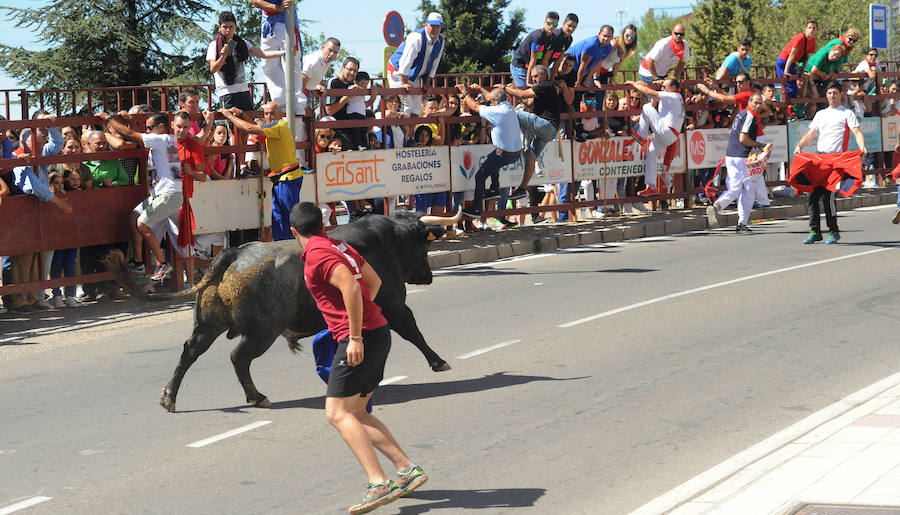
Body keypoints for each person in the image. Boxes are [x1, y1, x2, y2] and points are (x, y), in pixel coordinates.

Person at [289, 201, 428, 515]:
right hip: (378, 331)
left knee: (337, 413)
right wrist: (366, 317)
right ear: (323, 226)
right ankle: (406, 470)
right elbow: (373, 281)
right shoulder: (338, 245)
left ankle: (378, 482)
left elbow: (351, 287)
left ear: (294, 231)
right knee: (358, 412)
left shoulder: (317, 254)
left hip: (360, 338)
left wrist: (354, 335)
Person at [105, 111, 206, 280]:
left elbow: (129, 134)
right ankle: (139, 262)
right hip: (164, 195)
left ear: (161, 127)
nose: (147, 132)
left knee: (143, 224)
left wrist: (109, 120)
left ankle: (162, 263)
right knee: (134, 217)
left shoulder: (161, 139)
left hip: (168, 195)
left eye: (150, 128)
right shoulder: (168, 141)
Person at [4, 117, 72, 313]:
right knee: (23, 258)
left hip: (33, 216)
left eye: (43, 142)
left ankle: (32, 297)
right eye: (39, 141)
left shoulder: (37, 156)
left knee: (34, 257)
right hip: (21, 217)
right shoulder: (20, 160)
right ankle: (19, 300)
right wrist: (59, 202)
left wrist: (49, 125)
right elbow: (33, 187)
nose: (43, 145)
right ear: (26, 141)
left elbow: (57, 143)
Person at [220, 101, 307, 241]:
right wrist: (242, 114)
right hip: (281, 179)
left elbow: (249, 128)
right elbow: (255, 128)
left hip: (288, 178)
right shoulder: (274, 127)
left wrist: (229, 116)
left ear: (280, 114)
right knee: (278, 218)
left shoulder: (278, 126)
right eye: (266, 113)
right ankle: (282, 248)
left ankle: (297, 249)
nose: (268, 116)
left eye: (272, 113)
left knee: (290, 218)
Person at [792, 82, 867, 244]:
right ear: (826, 95)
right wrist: (799, 145)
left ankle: (833, 230)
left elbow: (857, 132)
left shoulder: (847, 113)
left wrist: (862, 146)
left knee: (828, 197)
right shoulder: (821, 114)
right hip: (821, 161)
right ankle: (815, 231)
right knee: (812, 196)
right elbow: (811, 134)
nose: (832, 96)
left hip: (837, 162)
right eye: (829, 93)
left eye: (834, 92)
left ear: (841, 94)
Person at [505, 64, 572, 201]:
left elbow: (523, 94)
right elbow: (528, 103)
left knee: (514, 113)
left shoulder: (546, 85)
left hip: (546, 125)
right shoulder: (543, 88)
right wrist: (514, 89)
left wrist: (505, 88)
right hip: (548, 130)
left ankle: (520, 144)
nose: (534, 79)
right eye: (532, 77)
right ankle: (522, 189)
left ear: (544, 75)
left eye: (536, 76)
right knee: (530, 156)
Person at [456, 83, 522, 218]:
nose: (488, 103)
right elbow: (491, 97)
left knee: (480, 176)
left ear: (496, 101)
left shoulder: (496, 111)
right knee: (492, 158)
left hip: (504, 154)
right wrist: (480, 88)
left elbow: (474, 106)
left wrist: (464, 92)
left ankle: (476, 209)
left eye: (490, 101)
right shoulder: (508, 106)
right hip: (515, 153)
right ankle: (494, 188)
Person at [706, 92, 769, 233]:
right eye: (755, 103)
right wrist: (759, 145)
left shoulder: (741, 113)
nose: (758, 106)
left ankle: (724, 211)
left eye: (760, 103)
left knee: (735, 187)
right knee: (747, 191)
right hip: (742, 156)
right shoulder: (750, 116)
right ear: (749, 102)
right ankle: (726, 211)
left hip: (731, 155)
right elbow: (743, 138)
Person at [626, 79, 685, 197]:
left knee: (647, 107)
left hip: (666, 131)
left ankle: (641, 135)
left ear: (673, 88)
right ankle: (651, 186)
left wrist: (634, 84)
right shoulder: (674, 97)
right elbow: (654, 98)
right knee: (651, 152)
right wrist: (658, 84)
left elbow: (648, 93)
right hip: (670, 135)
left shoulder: (672, 96)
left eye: (664, 86)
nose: (662, 88)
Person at [387, 12, 445, 116]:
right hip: (398, 72)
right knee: (406, 108)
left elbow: (434, 63)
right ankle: (403, 132)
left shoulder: (440, 40)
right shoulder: (417, 37)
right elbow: (405, 61)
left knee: (417, 109)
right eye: (432, 26)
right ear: (426, 25)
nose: (435, 29)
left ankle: (410, 133)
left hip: (414, 75)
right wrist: (404, 82)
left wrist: (427, 83)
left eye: (438, 26)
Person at [252, 0, 305, 112]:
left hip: (286, 21)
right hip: (268, 23)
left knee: (291, 60)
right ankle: (280, 103)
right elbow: (256, 2)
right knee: (269, 65)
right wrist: (277, 7)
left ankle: (297, 103)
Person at [325, 57, 368, 150]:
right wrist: (347, 96)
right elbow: (329, 111)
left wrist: (371, 95)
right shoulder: (333, 82)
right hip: (334, 127)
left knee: (366, 142)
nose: (352, 73)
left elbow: (360, 104)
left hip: (350, 124)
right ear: (342, 68)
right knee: (351, 147)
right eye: (350, 69)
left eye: (355, 71)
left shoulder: (352, 84)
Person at [509, 11, 561, 87]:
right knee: (525, 94)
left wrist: (548, 80)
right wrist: (528, 82)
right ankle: (505, 87)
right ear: (544, 23)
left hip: (532, 67)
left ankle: (512, 86)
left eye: (555, 24)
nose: (552, 26)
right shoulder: (538, 36)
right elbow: (533, 59)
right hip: (520, 65)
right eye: (549, 23)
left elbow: (545, 61)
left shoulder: (553, 38)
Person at [776, 20, 817, 98]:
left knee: (794, 90)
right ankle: (784, 108)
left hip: (792, 63)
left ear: (816, 30)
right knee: (787, 89)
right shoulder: (799, 38)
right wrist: (786, 71)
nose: (811, 30)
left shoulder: (812, 40)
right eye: (810, 28)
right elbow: (792, 55)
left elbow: (807, 57)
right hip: (784, 61)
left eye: (814, 28)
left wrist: (802, 70)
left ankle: (791, 109)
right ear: (805, 29)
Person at [568, 25, 615, 90]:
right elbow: (583, 64)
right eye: (604, 36)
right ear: (599, 34)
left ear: (612, 37)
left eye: (609, 36)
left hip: (581, 71)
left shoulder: (608, 48)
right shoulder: (591, 44)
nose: (606, 39)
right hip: (570, 67)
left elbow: (596, 64)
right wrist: (578, 82)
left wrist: (586, 81)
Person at [594, 24, 638, 88]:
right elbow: (599, 58)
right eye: (627, 35)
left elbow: (617, 65)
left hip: (604, 74)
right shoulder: (614, 43)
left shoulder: (626, 50)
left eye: (632, 37)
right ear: (623, 34)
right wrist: (596, 78)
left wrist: (612, 79)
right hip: (593, 72)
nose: (629, 38)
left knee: (600, 96)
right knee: (589, 96)